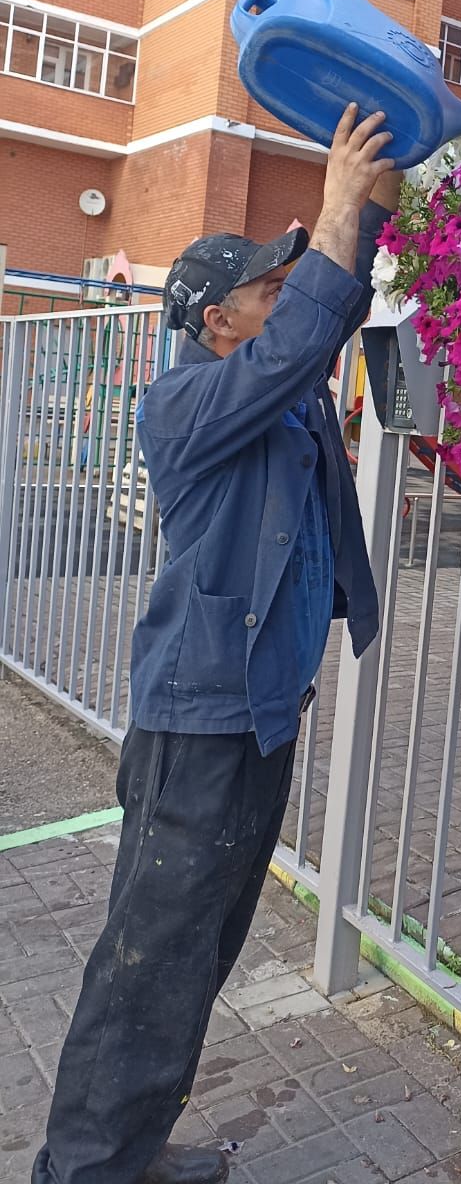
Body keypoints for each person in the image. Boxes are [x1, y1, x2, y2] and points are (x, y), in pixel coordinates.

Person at [34, 105, 400, 1184]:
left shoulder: (271, 391)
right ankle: (85, 1169)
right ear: (219, 320)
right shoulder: (186, 404)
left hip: (256, 712)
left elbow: (319, 330)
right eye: (264, 288)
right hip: (197, 718)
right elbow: (303, 342)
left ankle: (130, 1149)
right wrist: (330, 215)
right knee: (147, 960)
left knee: (196, 952)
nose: (285, 298)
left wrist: (369, 214)